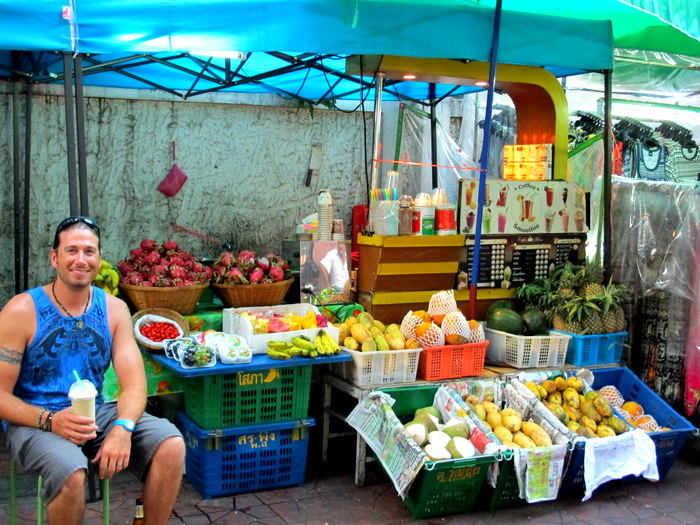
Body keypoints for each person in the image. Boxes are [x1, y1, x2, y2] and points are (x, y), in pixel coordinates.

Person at [0, 216, 185, 525]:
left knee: (171, 443)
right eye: (71, 250)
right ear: (54, 257)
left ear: (99, 258)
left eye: (90, 251)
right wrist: (50, 420)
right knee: (71, 470)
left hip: (94, 411)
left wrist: (123, 427)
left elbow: (135, 384)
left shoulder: (113, 308)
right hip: (34, 417)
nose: (81, 260)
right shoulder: (22, 310)